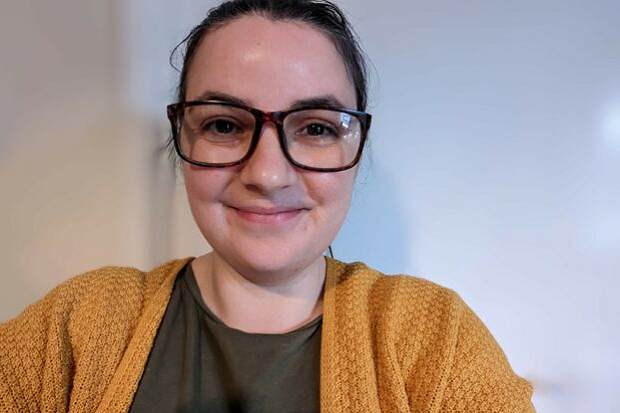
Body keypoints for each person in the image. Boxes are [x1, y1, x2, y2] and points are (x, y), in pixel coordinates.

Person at [0, 0, 536, 412]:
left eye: (317, 128)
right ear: (181, 138)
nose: (267, 174)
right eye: (225, 125)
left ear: (356, 151)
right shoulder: (78, 323)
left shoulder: (434, 338)